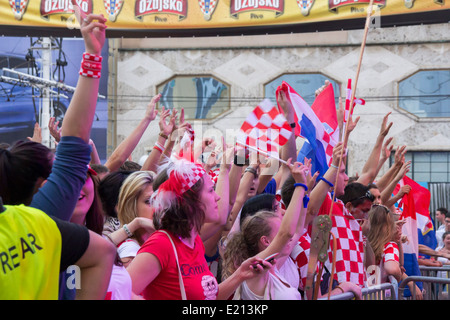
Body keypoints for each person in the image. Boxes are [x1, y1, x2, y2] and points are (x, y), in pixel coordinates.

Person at [0, 7, 116, 299]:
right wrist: (92, 53)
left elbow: (74, 145)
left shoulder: (39, 217)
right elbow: (75, 142)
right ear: (42, 186)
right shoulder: (39, 221)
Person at [126, 157, 267, 300]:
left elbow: (209, 297)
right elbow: (120, 291)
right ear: (190, 202)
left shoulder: (194, 242)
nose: (217, 197)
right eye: (211, 190)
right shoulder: (161, 244)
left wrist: (240, 275)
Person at [222, 159, 310, 300]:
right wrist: (299, 186)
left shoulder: (271, 267)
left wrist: (305, 192)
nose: (282, 212)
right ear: (265, 240)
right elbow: (287, 233)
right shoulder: (256, 270)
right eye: (278, 231)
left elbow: (298, 230)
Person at [366, 204, 423, 299]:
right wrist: (398, 274)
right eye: (396, 224)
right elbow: (391, 268)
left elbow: (399, 264)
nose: (399, 229)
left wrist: (399, 241)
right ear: (388, 226)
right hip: (382, 296)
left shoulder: (364, 243)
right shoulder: (389, 246)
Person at [116, 170, 156, 267]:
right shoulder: (130, 250)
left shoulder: (153, 241)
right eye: (149, 201)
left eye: (160, 199)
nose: (158, 207)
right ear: (131, 206)